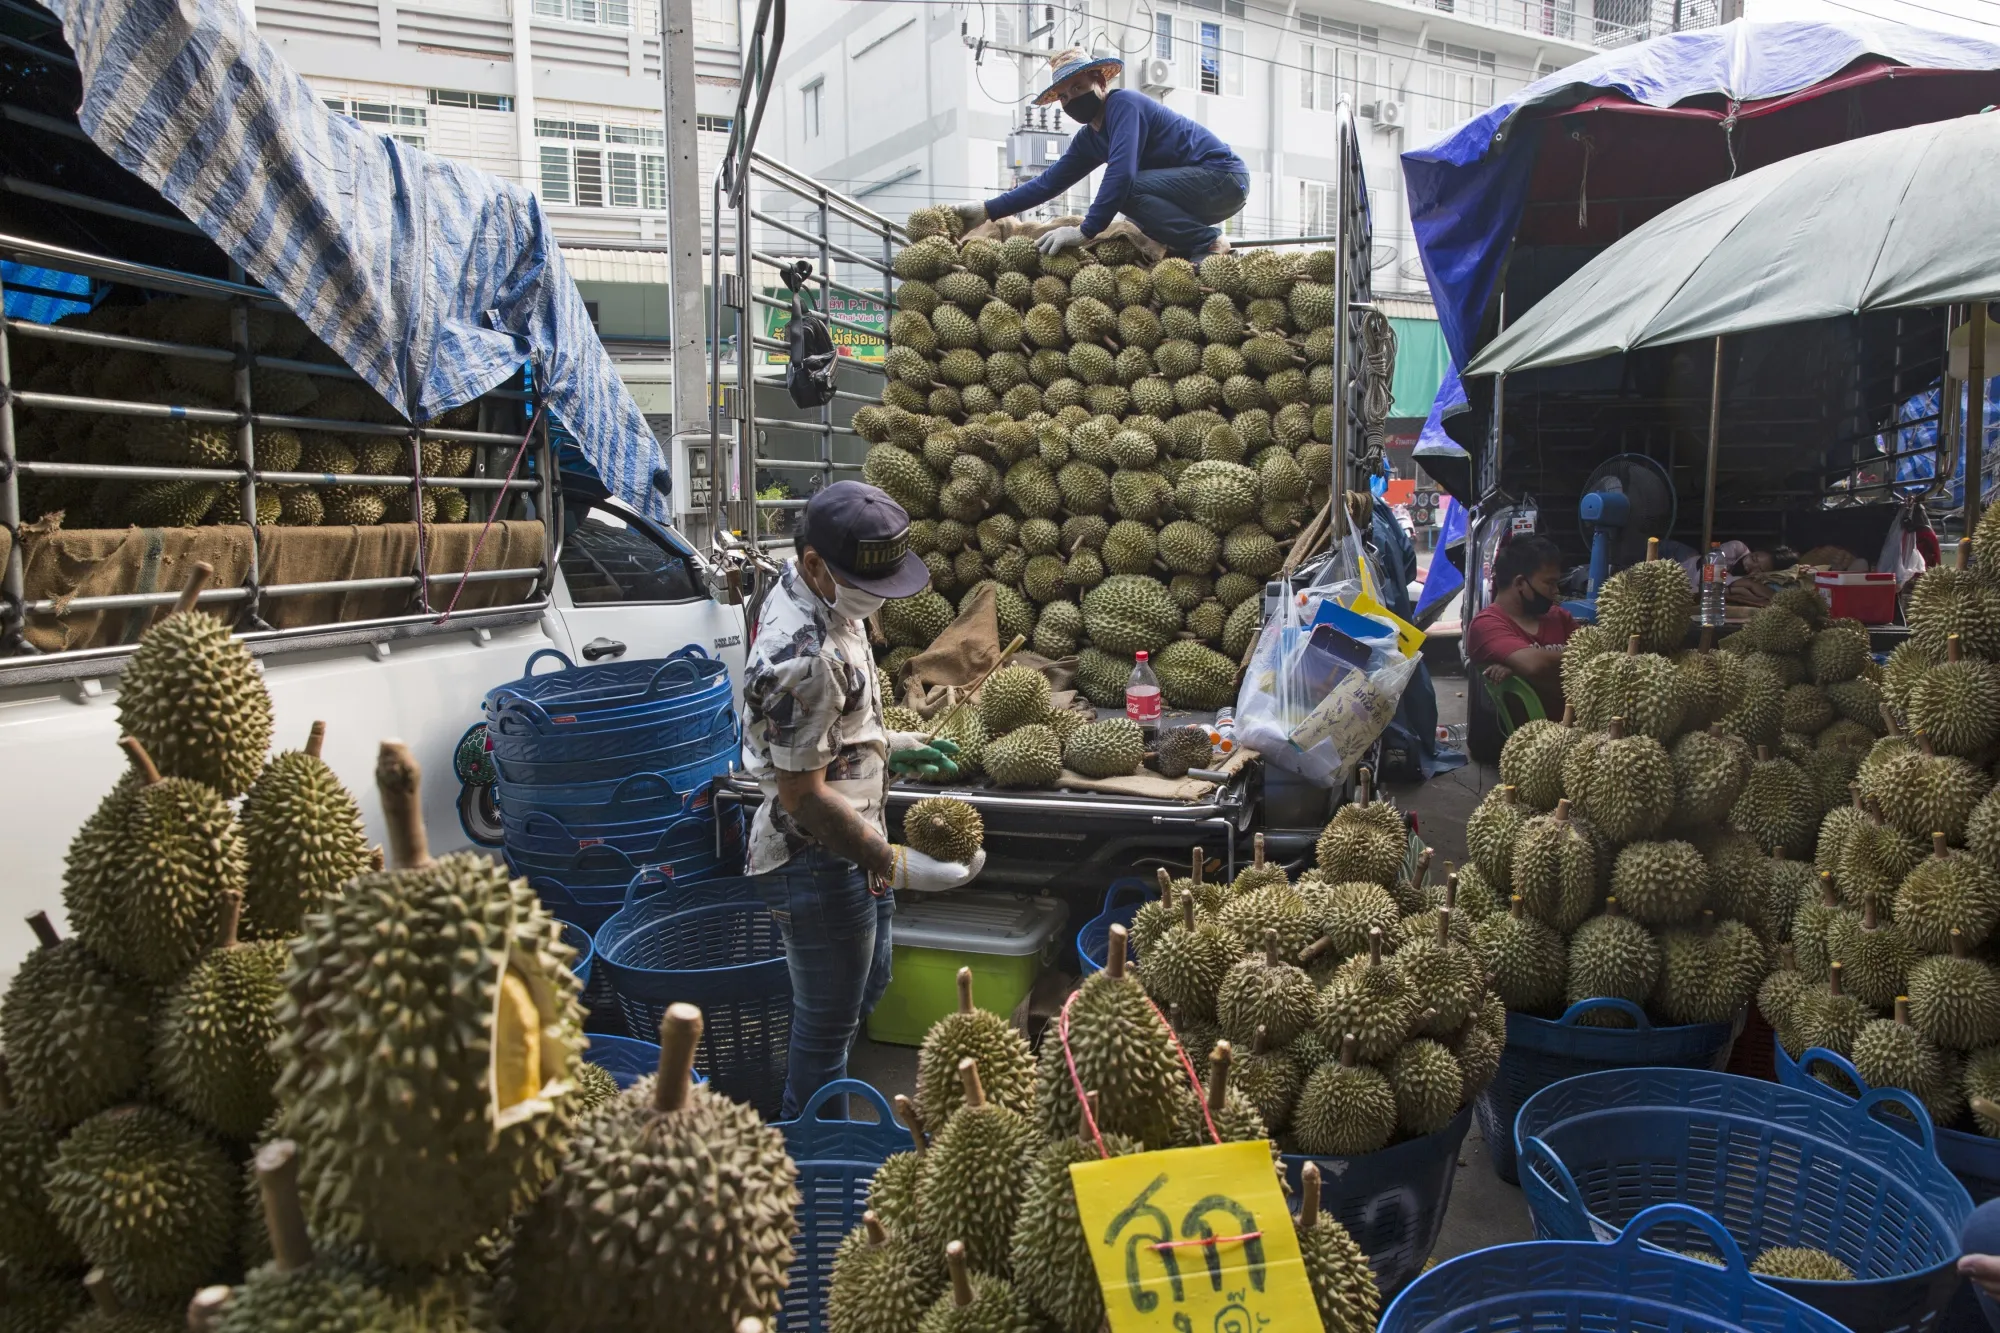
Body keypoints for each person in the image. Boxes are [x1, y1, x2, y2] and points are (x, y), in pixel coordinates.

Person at [740, 481, 987, 1117]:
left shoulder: (822, 598)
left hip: (853, 842)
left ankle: (816, 1112)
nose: (876, 599)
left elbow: (827, 728)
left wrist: (886, 743)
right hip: (815, 859)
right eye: (862, 580)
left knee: (869, 980)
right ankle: (808, 1157)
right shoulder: (802, 656)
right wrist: (894, 862)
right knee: (824, 1030)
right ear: (814, 560)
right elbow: (803, 799)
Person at [949, 48, 1250, 260]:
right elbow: (1048, 184)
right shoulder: (1089, 139)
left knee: (1125, 191)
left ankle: (1209, 242)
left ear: (1101, 82)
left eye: (1079, 88)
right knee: (1136, 215)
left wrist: (1085, 231)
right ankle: (1191, 248)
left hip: (1223, 178)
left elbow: (1121, 174)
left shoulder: (1125, 105)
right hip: (1191, 196)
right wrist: (988, 209)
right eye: (1065, 97)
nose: (1072, 100)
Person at [1465, 534, 1575, 718]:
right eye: (1550, 583)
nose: (1556, 591)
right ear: (1520, 583)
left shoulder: (1559, 616)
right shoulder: (1486, 625)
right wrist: (1532, 669)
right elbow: (1534, 664)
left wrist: (1518, 670)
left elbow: (1596, 658)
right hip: (1536, 741)